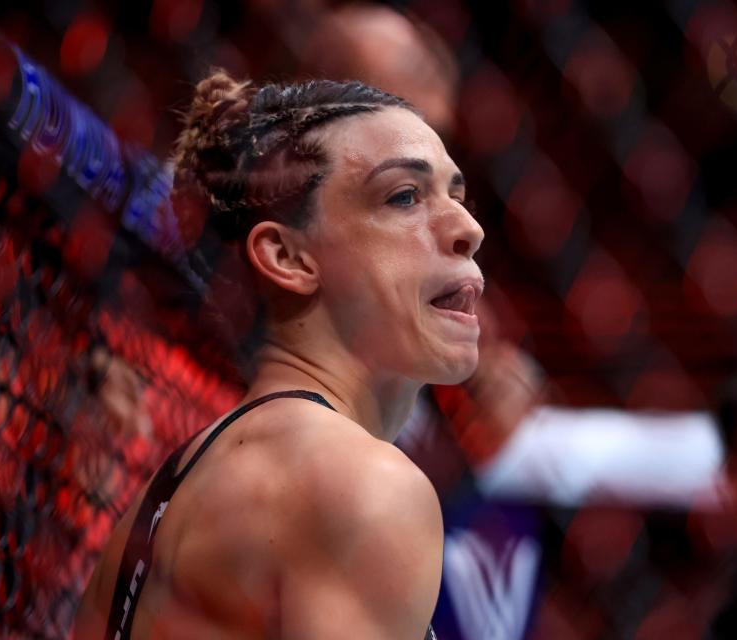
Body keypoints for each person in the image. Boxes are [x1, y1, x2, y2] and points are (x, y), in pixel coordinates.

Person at [73, 69, 484, 639]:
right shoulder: (361, 485)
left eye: (457, 196)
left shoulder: (157, 504)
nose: (468, 229)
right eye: (405, 196)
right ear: (287, 257)